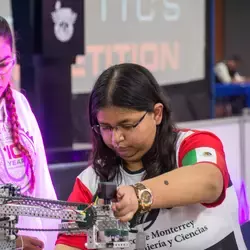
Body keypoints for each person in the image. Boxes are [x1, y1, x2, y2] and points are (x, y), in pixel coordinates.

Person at [55, 63, 247, 250]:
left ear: (157, 114)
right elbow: (69, 244)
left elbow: (210, 181)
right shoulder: (92, 182)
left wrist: (139, 195)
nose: (116, 138)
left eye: (128, 125)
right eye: (106, 128)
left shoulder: (189, 145)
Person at [0, 16, 59, 249]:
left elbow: (43, 187)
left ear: (14, 60)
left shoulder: (20, 105)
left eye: (3, 64)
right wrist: (7, 242)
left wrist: (58, 243)